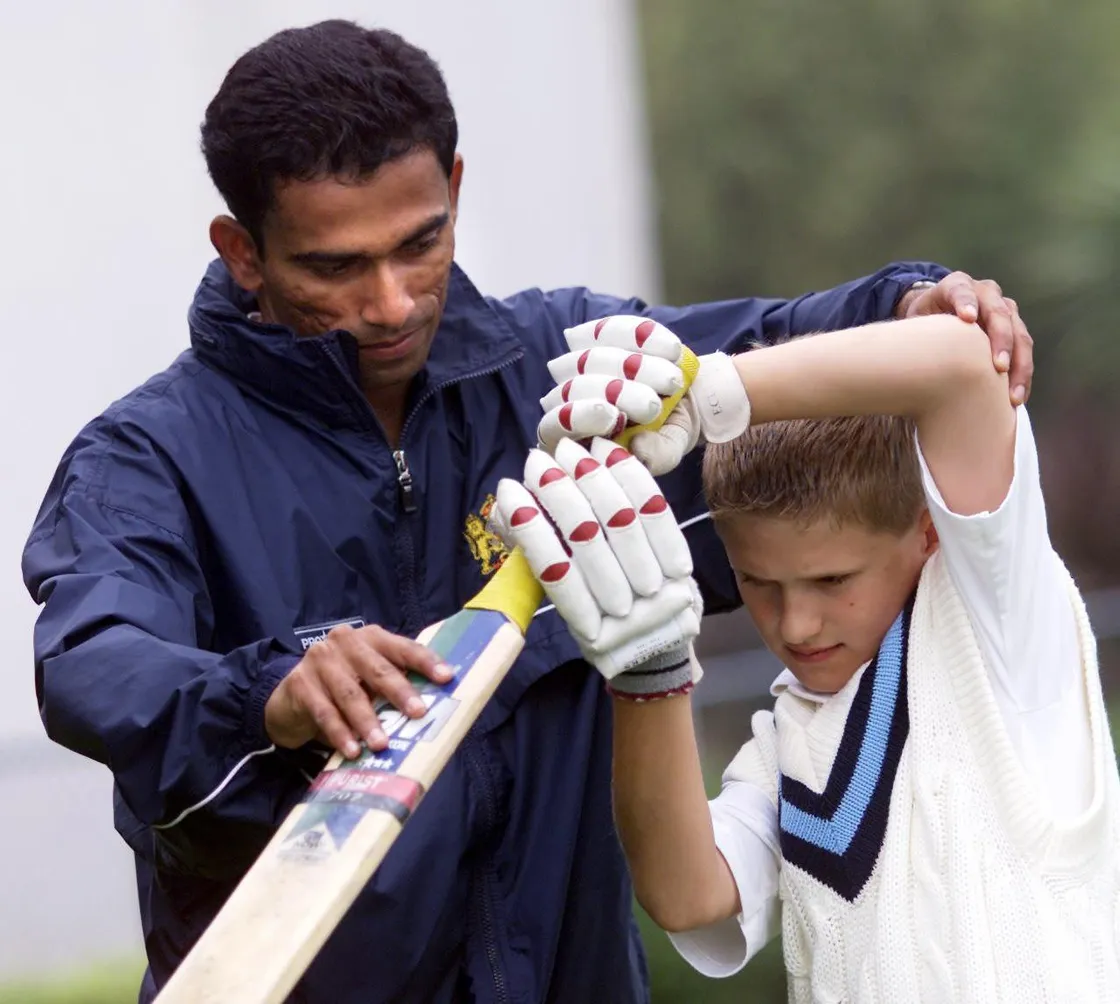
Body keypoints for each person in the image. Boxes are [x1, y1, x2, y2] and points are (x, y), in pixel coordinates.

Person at [20, 18, 1034, 1004]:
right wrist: (268, 693)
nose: (390, 301)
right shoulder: (145, 459)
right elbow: (96, 660)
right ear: (243, 252)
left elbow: (769, 344)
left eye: (419, 243)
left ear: (454, 189)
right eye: (334, 266)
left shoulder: (562, 373)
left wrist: (915, 304)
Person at [497, 313, 1120, 1002]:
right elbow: (687, 895)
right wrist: (650, 671)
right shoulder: (787, 738)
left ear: (927, 535)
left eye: (832, 581)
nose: (794, 623)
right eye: (758, 583)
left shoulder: (998, 625)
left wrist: (711, 391)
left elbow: (967, 363)